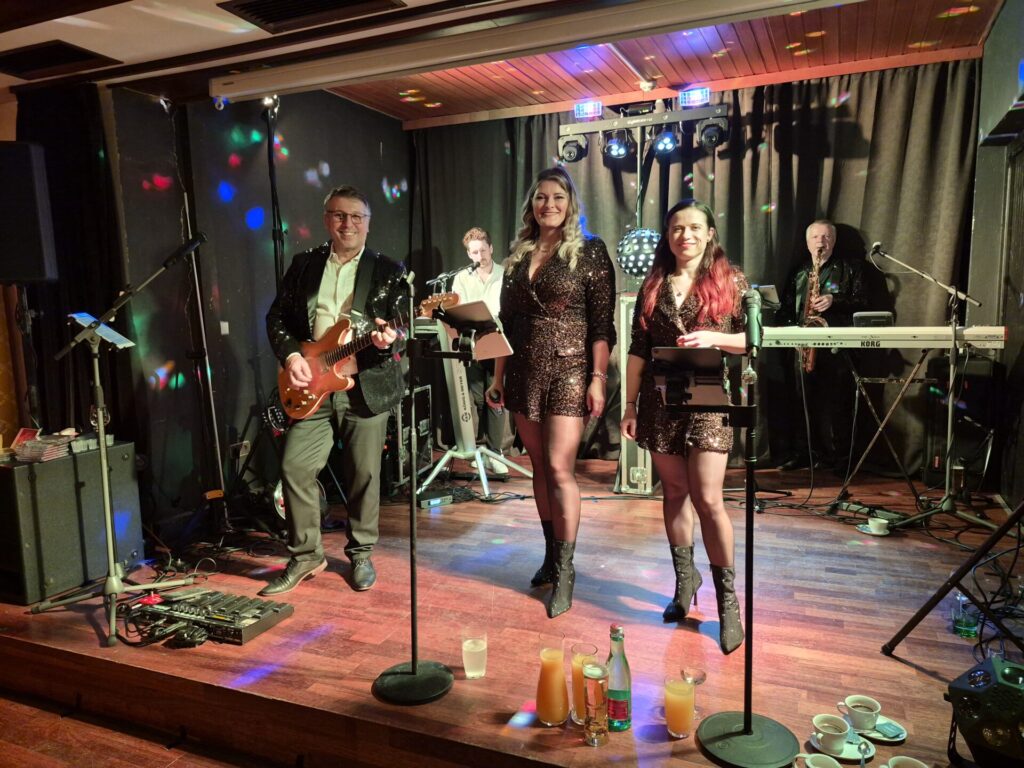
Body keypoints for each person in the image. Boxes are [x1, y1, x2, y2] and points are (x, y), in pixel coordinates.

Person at [263, 185, 405, 595]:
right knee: (295, 467)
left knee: (363, 474)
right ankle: (306, 554)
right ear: (327, 220)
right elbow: (276, 318)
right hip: (312, 383)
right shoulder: (304, 264)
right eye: (340, 215)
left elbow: (401, 327)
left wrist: (388, 341)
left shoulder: (388, 269)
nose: (348, 224)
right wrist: (292, 356)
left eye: (357, 216)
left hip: (365, 385)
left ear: (368, 223)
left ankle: (361, 553)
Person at [619, 199, 747, 655]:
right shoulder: (653, 285)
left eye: (694, 227)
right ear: (667, 235)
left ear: (710, 233)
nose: (685, 235)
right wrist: (629, 405)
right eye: (676, 228)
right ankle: (684, 581)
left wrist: (715, 337)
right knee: (674, 493)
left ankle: (728, 602)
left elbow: (755, 339)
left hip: (709, 401)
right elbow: (637, 350)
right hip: (660, 401)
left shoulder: (731, 281)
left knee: (708, 499)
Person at [488, 167, 616, 618]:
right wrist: (498, 378)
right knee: (539, 467)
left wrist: (598, 378)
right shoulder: (518, 255)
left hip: (569, 369)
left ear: (570, 203)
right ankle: (549, 554)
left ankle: (566, 569)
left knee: (561, 469)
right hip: (522, 369)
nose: (549, 205)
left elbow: (601, 326)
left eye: (558, 196)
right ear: (532, 205)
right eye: (541, 197)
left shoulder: (590, 251)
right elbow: (504, 324)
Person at [775, 219, 867, 473]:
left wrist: (834, 300)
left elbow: (863, 300)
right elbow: (787, 307)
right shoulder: (800, 271)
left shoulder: (851, 267)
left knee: (837, 404)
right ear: (807, 243)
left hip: (836, 345)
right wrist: (790, 332)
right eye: (815, 237)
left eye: (826, 237)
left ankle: (841, 459)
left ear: (834, 241)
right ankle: (804, 453)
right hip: (802, 345)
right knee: (801, 402)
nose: (820, 242)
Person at [451, 227, 510, 475]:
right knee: (477, 398)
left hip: (498, 341)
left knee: (495, 395)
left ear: (491, 248)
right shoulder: (461, 278)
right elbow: (459, 309)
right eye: (474, 252)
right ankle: (482, 450)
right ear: (468, 253)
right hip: (473, 342)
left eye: (483, 250)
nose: (480, 256)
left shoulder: (505, 274)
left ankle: (496, 452)